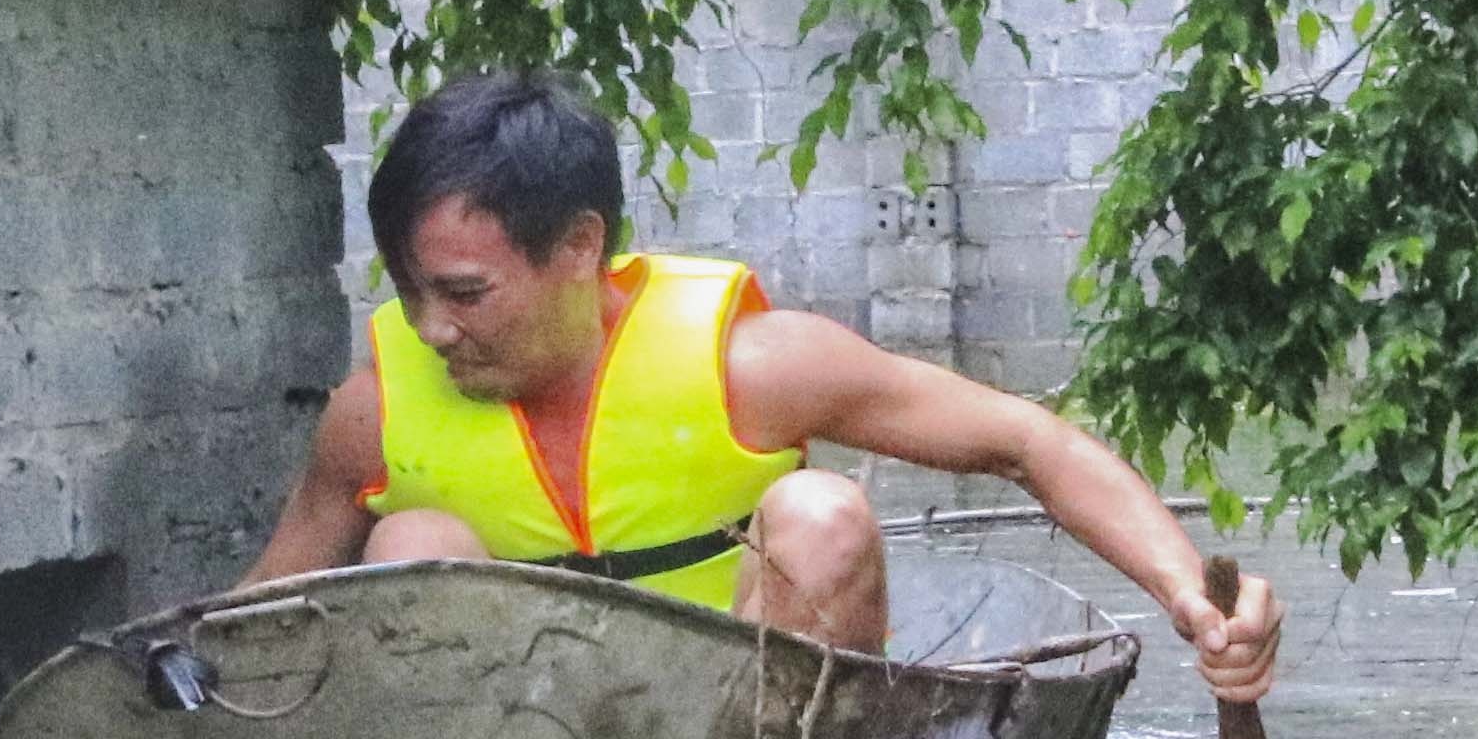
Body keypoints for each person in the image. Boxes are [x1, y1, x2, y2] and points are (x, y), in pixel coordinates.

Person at [246, 70, 1284, 701]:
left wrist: (1191, 596)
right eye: (411, 291)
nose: (433, 328)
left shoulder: (751, 364)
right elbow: (249, 618)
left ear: (577, 247)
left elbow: (1029, 441)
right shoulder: (376, 410)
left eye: (466, 292)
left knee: (821, 510)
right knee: (411, 547)